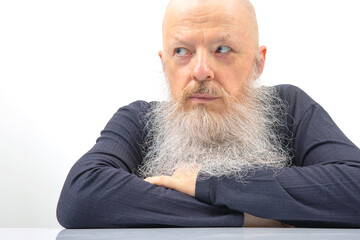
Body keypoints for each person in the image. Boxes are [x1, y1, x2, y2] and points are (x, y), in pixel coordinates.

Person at [57, 0, 360, 228]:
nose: (201, 70)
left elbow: (354, 186)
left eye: (223, 49)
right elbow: (81, 196)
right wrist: (248, 217)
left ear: (258, 62)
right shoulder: (138, 119)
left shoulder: (288, 106)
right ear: (165, 63)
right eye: (181, 51)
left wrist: (205, 183)